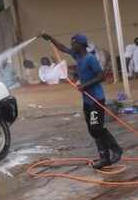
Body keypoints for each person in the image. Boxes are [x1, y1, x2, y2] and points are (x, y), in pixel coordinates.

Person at [38, 32, 123, 169]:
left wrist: (85, 85)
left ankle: (116, 149)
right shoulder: (76, 55)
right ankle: (104, 158)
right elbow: (63, 48)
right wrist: (49, 37)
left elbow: (101, 76)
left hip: (96, 98)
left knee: (96, 128)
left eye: (73, 44)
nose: (71, 46)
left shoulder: (90, 59)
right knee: (92, 130)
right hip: (87, 100)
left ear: (80, 45)